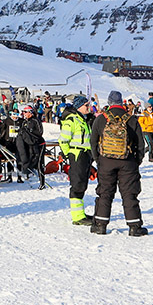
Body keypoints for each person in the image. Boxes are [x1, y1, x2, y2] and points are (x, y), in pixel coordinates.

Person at [89, 90, 147, 236]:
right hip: (128, 162)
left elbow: (93, 141)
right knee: (129, 194)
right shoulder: (131, 119)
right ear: (122, 102)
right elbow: (140, 144)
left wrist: (98, 160)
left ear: (109, 102)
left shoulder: (101, 119)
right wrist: (136, 161)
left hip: (106, 161)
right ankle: (134, 227)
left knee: (105, 193)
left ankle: (100, 225)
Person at [58, 95, 94, 225]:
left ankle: (80, 213)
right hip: (77, 154)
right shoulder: (71, 120)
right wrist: (69, 155)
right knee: (77, 184)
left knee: (82, 184)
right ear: (79, 106)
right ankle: (77, 217)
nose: (88, 108)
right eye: (86, 105)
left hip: (85, 154)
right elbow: (63, 140)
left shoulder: (83, 119)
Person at [16, 104, 45, 188]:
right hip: (29, 145)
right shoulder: (24, 122)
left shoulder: (35, 120)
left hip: (39, 144)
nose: (24, 114)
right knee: (29, 160)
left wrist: (29, 132)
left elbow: (40, 133)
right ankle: (28, 174)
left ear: (30, 112)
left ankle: (42, 183)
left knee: (40, 163)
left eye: (25, 112)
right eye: (23, 112)